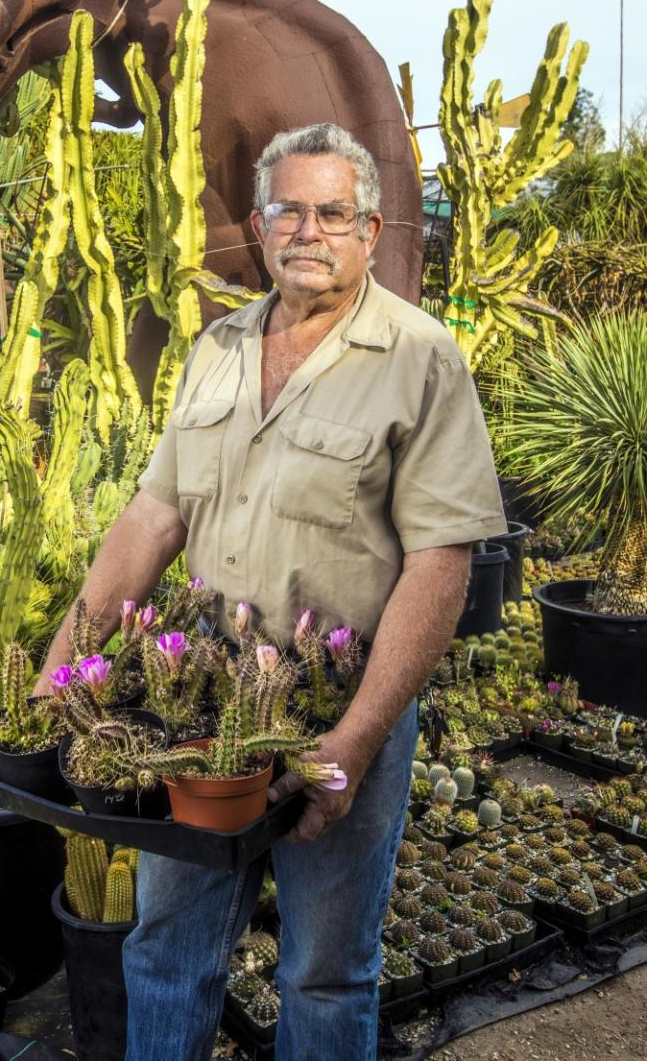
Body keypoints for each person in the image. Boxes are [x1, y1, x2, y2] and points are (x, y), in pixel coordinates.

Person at [34, 122, 505, 1060]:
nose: (308, 230)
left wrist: (356, 739)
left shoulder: (420, 358)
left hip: (339, 704)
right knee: (167, 945)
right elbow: (153, 517)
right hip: (201, 710)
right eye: (288, 208)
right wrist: (63, 658)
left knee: (325, 970)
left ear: (370, 232)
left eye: (334, 212)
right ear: (257, 225)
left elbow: (441, 564)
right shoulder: (217, 349)